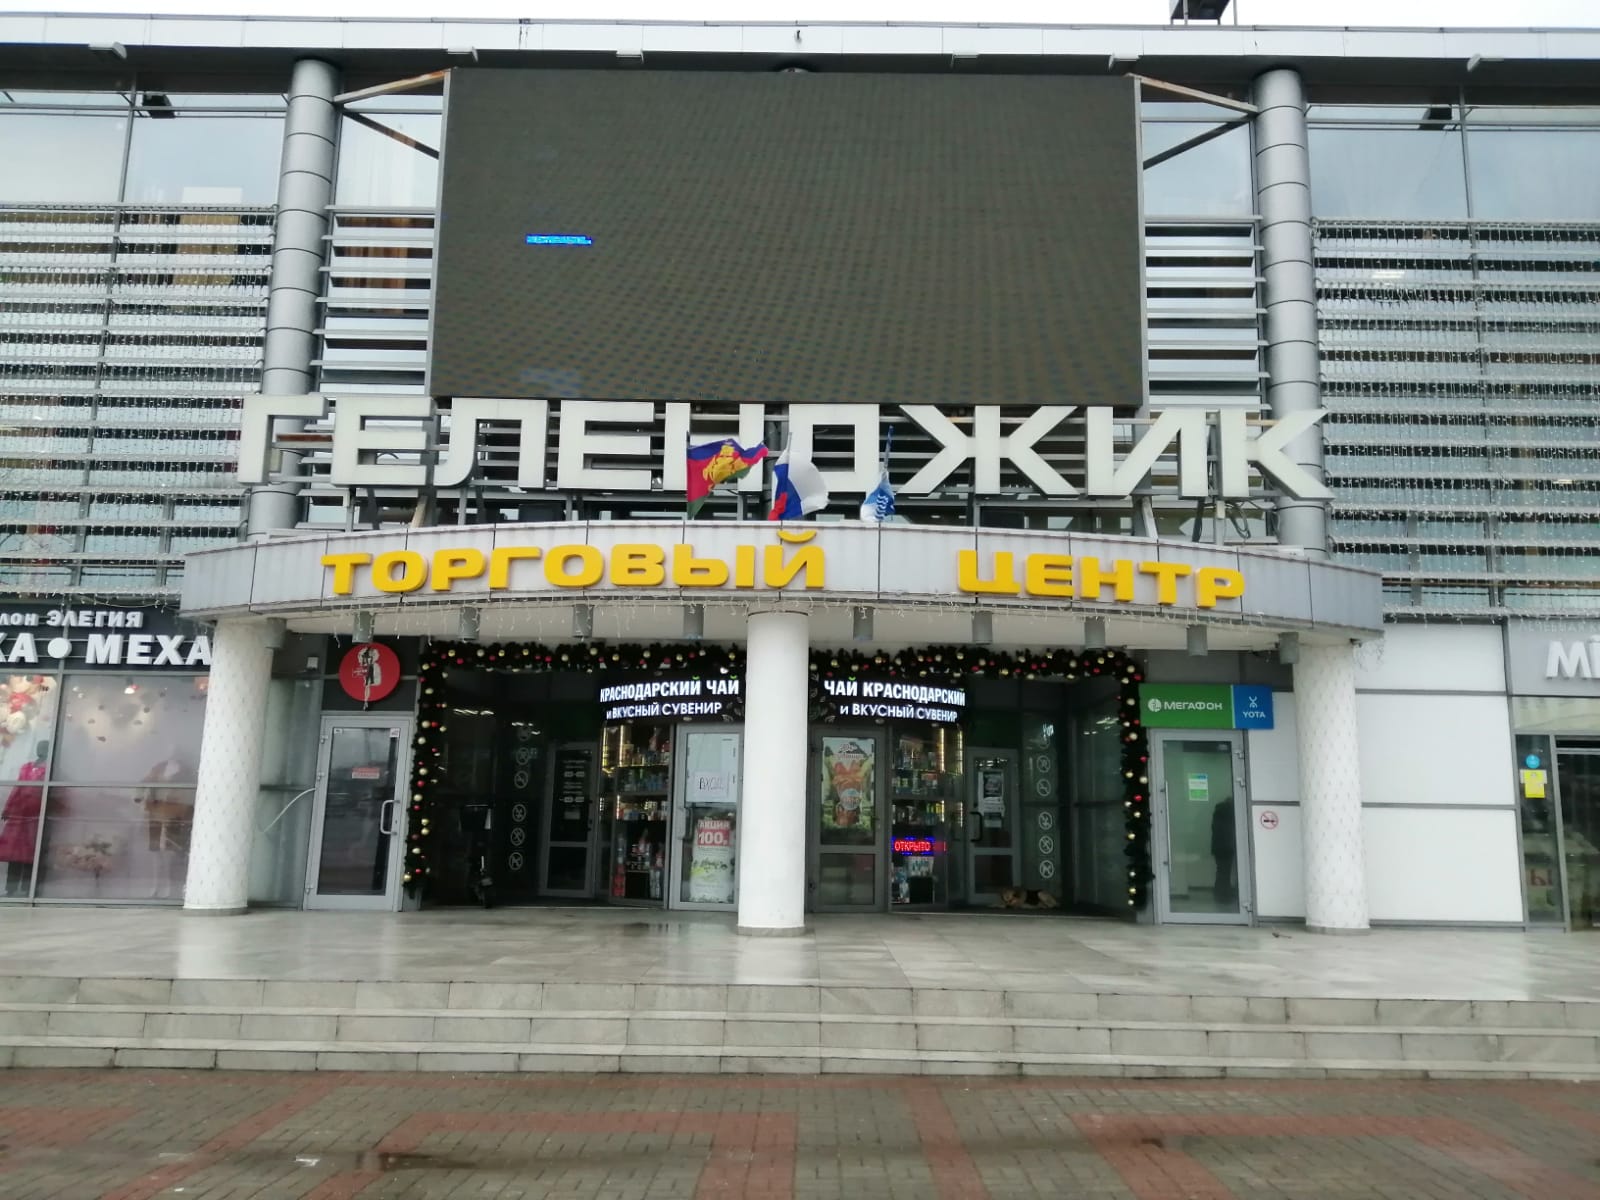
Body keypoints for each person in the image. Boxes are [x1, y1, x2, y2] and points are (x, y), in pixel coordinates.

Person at [0, 741, 48, 897]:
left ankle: (28, 889)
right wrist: (8, 809)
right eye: (39, 747)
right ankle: (11, 889)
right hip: (19, 814)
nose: (40, 750)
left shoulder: (50, 769)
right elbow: (17, 789)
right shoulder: (26, 767)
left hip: (36, 816)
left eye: (44, 748)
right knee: (14, 854)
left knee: (30, 854)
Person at [1211, 795, 1237, 905]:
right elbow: (1230, 832)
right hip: (1227, 847)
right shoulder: (1230, 814)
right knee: (1225, 871)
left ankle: (1220, 893)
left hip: (1218, 847)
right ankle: (1224, 895)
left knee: (1221, 871)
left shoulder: (1218, 814)